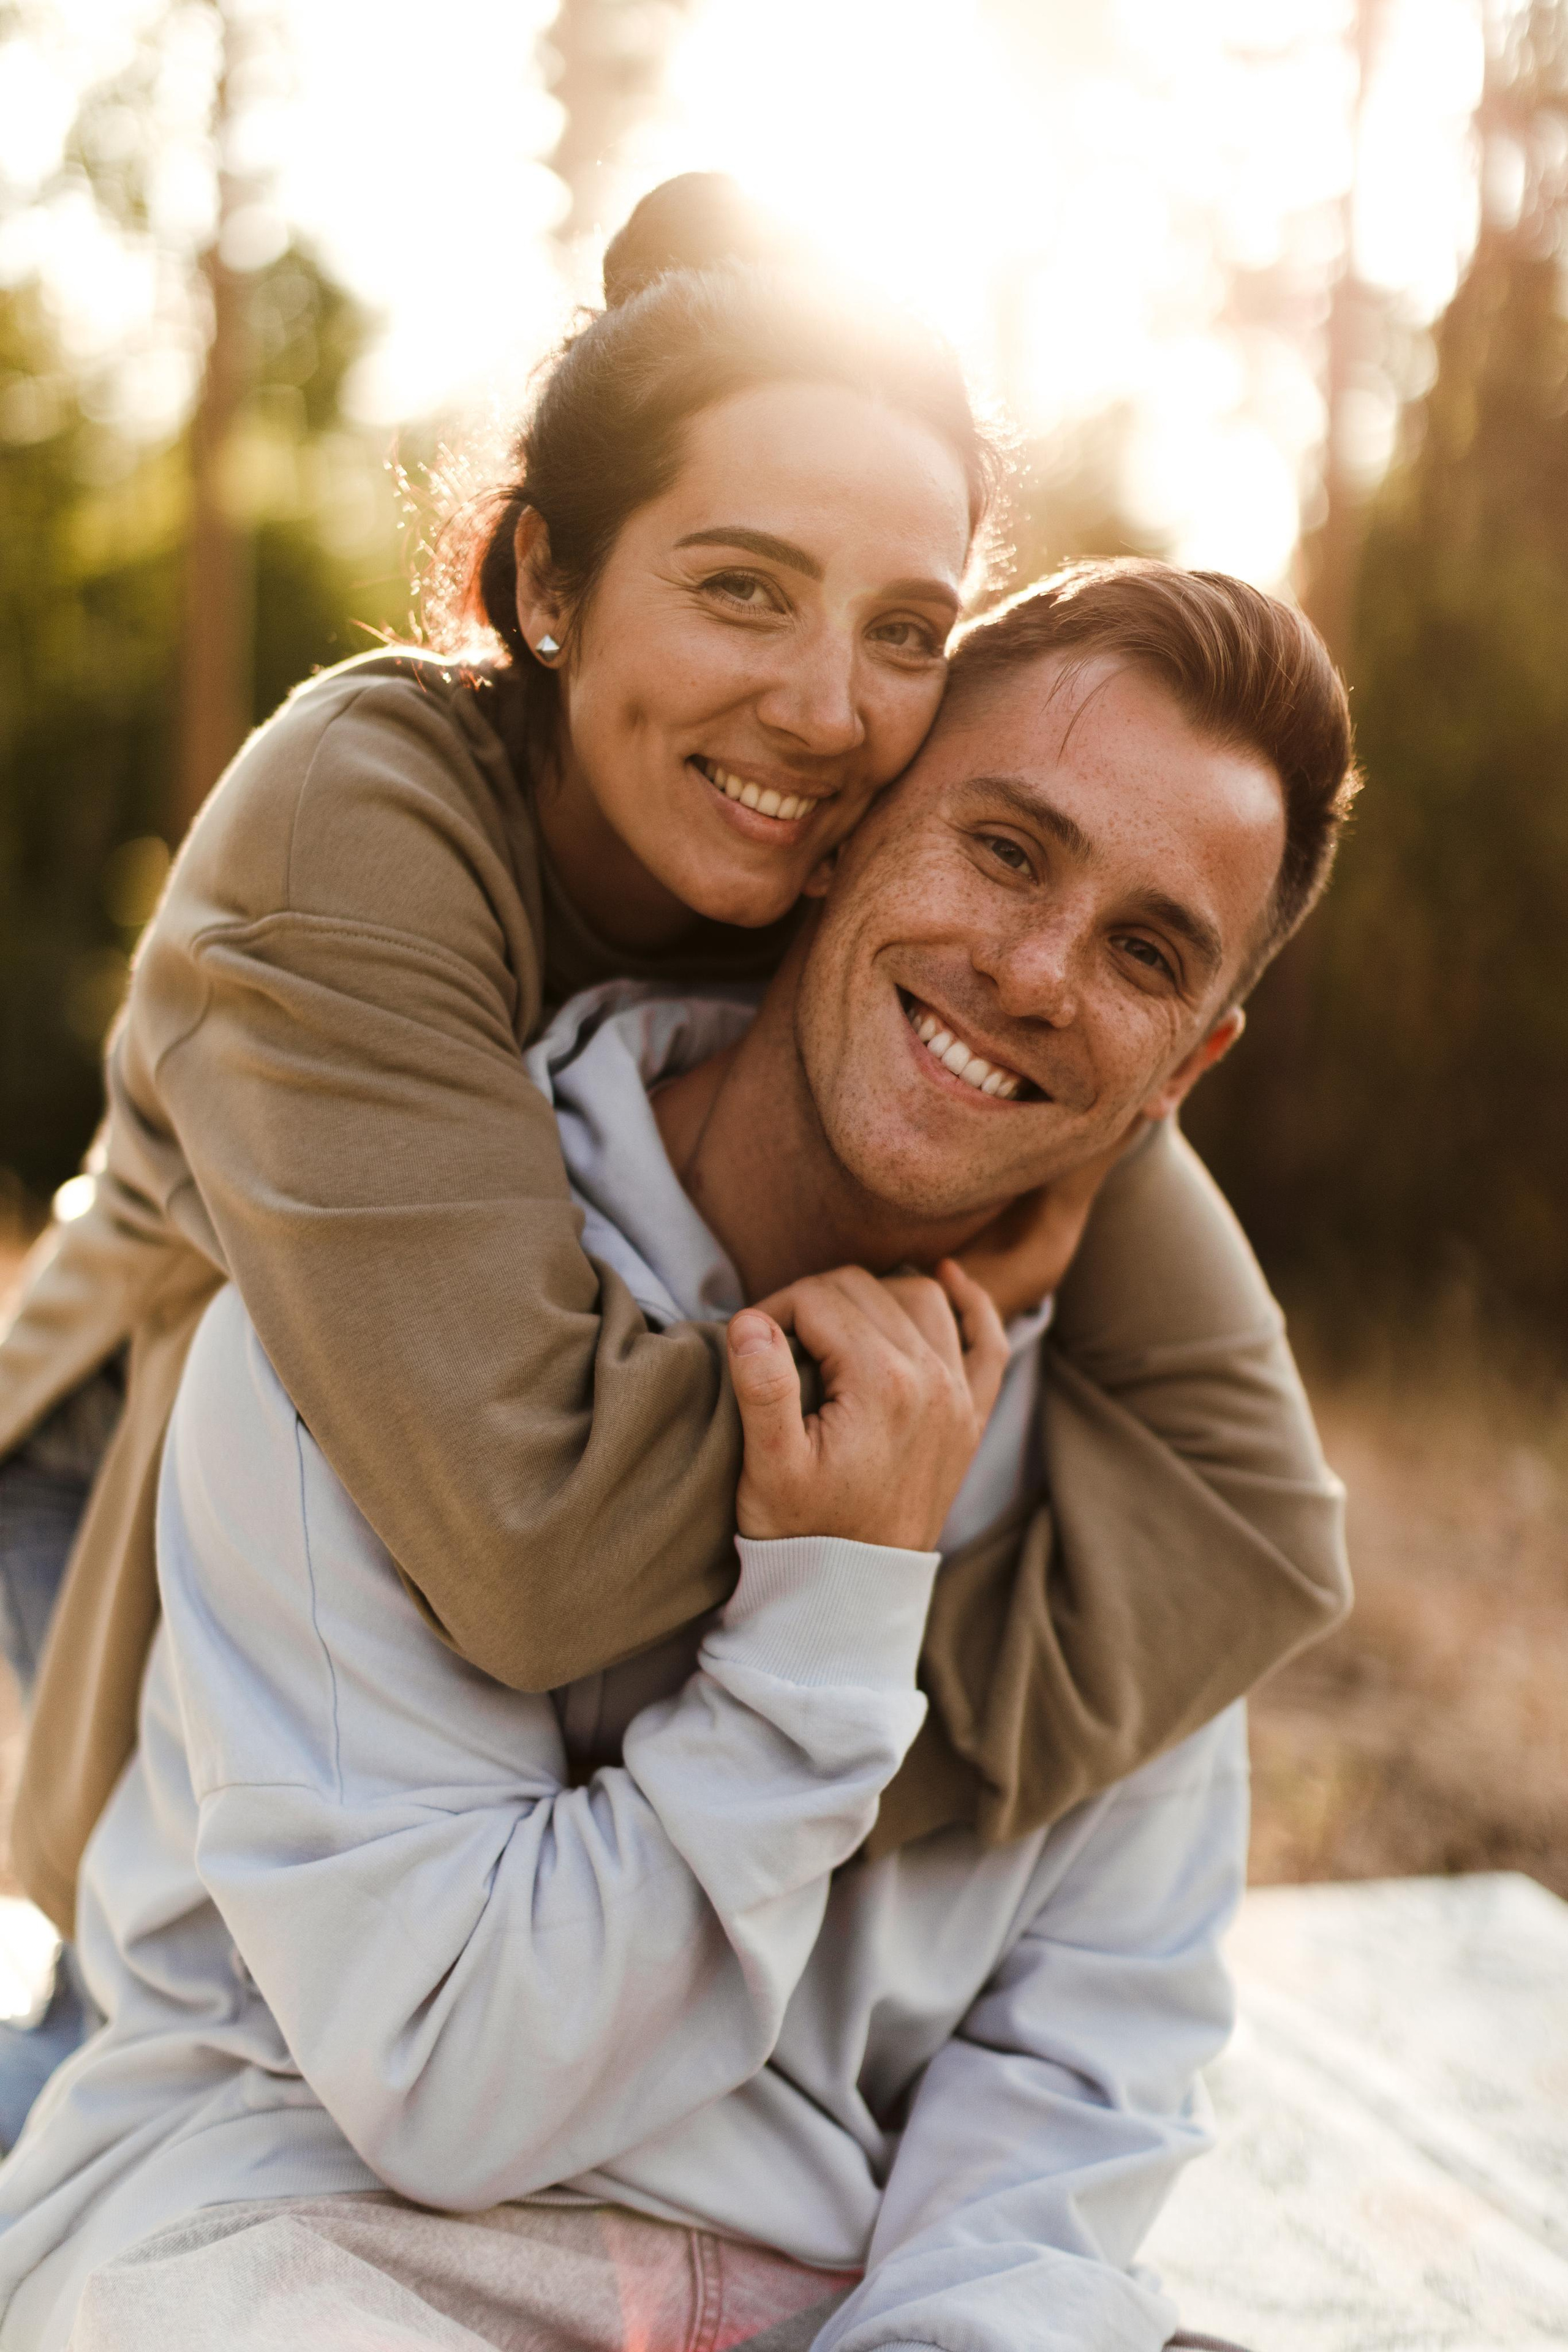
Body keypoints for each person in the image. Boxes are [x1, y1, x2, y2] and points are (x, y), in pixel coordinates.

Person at [0, 172, 1345, 1991]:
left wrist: (830, 1706)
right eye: (741, 590)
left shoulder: (902, 882)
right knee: (176, 2000)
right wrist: (900, 1380)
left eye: (902, 632)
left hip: (530, 1493)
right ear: (549, 579)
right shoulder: (362, 813)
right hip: (137, 1443)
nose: (823, 707)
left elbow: (1254, 1529)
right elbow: (537, 1541)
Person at [0, 561, 1352, 2351]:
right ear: (842, 833)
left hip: (827, 2297)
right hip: (307, 2233)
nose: (1035, 973)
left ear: (1188, 1065)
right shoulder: (376, 1310)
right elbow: (451, 2079)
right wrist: (830, 1605)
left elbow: (1074, 2090)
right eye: (1008, 850)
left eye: (1147, 953)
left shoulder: (1130, 1464)